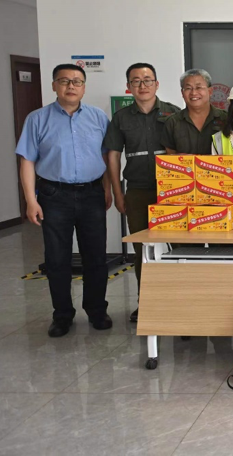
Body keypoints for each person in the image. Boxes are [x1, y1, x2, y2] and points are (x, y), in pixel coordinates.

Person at [15, 63, 113, 337]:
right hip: (53, 195)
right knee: (57, 258)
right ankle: (62, 316)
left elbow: (107, 157)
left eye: (77, 81)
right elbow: (27, 161)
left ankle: (97, 311)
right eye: (64, 81)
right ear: (54, 85)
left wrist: (107, 189)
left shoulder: (98, 117)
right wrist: (30, 200)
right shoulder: (37, 119)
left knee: (96, 255)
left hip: (92, 193)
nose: (71, 86)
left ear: (84, 87)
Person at [105, 63, 180, 322]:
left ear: (157, 84)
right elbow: (113, 156)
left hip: (172, 193)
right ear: (129, 87)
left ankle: (178, 301)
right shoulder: (121, 118)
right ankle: (145, 303)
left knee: (178, 247)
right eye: (136, 81)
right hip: (137, 191)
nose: (142, 85)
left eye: (147, 80)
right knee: (142, 250)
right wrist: (118, 193)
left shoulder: (173, 113)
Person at [162, 69, 228, 154]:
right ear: (182, 93)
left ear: (210, 91)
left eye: (198, 87)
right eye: (188, 88)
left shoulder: (225, 119)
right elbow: (170, 156)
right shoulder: (172, 122)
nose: (193, 93)